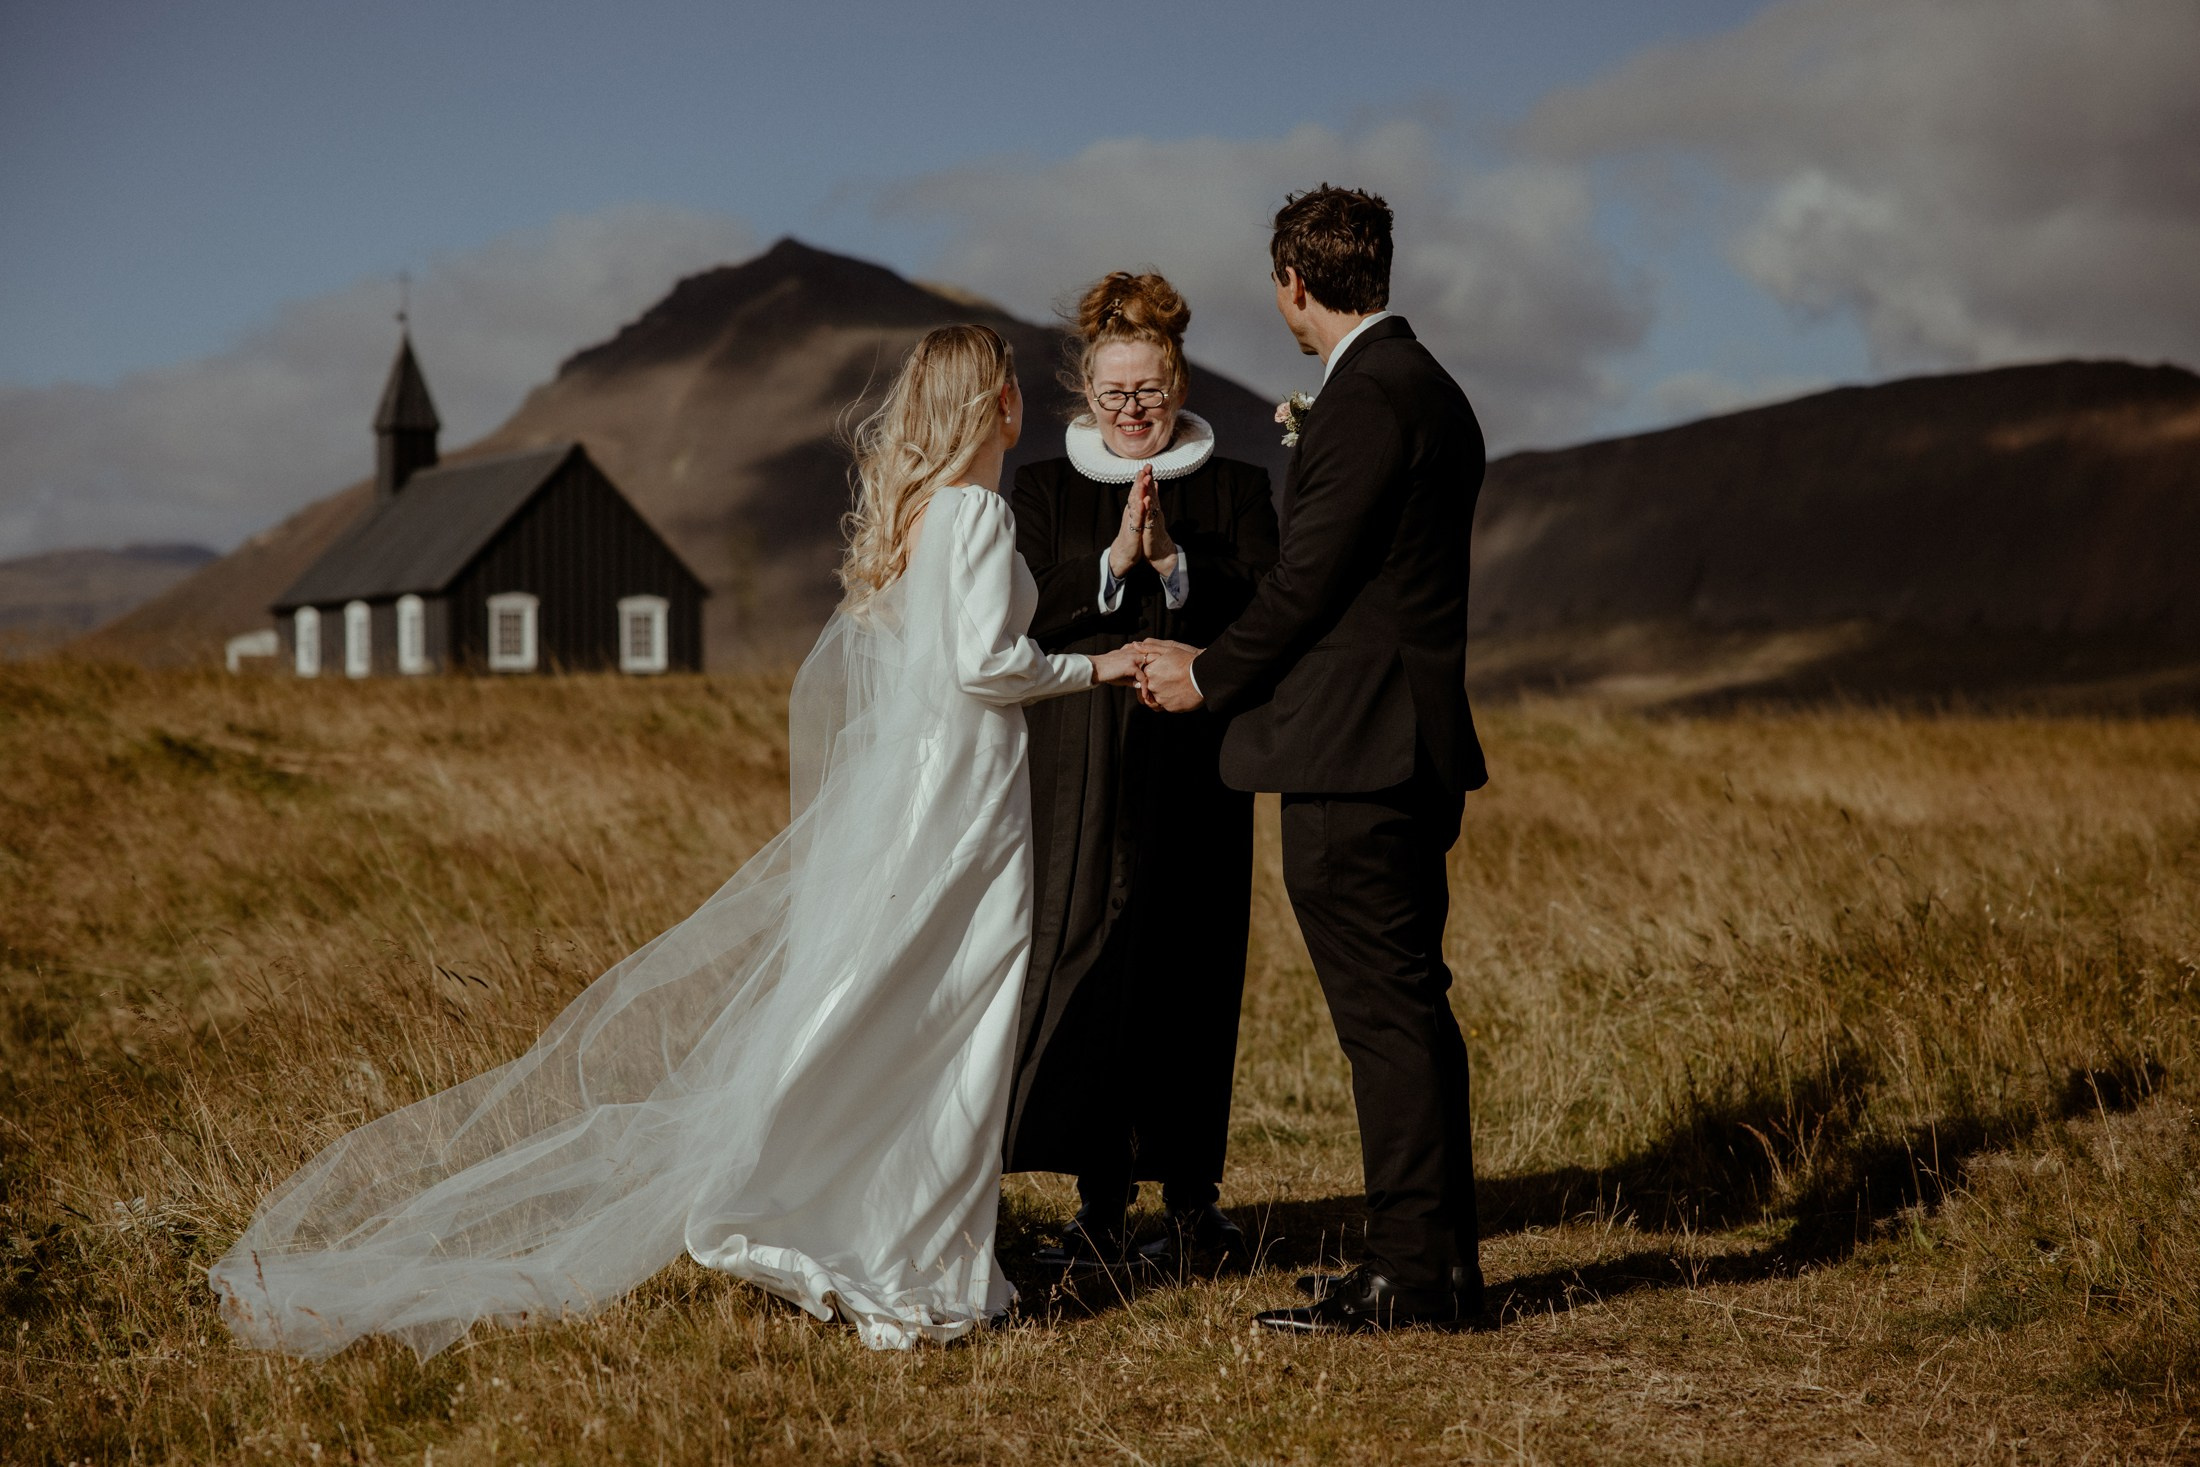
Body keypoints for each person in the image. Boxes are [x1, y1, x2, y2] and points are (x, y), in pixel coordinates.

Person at [207, 325, 1143, 1356]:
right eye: (1013, 387)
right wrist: (1097, 668)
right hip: (969, 798)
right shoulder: (979, 511)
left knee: (897, 1006)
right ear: (996, 403)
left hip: (931, 787)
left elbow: (932, 652)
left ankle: (862, 1219)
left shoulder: (923, 515)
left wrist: (1103, 572)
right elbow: (980, 667)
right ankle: (908, 1254)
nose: (1021, 402)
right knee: (958, 1013)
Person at [1134, 186, 1492, 1333]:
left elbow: (1307, 584)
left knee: (1384, 1019)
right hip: (1403, 741)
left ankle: (1409, 1279)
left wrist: (1206, 674)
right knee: (1410, 1009)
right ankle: (1435, 1264)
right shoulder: (1430, 388)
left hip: (1356, 751)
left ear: (1294, 282)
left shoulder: (1366, 398)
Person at [1003, 271, 1278, 1273]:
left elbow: (1270, 612)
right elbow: (1019, 611)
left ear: (1180, 386)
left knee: (1193, 971)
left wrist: (1175, 566)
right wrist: (1114, 563)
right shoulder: (1042, 488)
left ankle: (1194, 1206)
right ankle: (1100, 1204)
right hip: (1078, 772)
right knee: (1090, 962)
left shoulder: (1237, 487)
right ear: (1086, 392)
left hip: (1200, 774)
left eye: (1150, 393)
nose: (1132, 412)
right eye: (1114, 394)